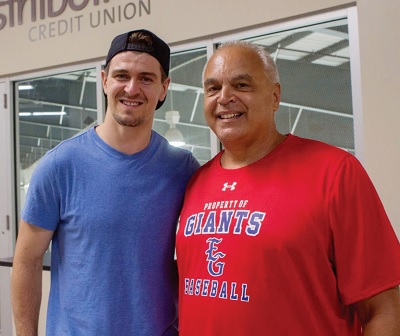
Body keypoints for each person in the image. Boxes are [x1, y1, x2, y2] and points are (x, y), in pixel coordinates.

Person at [176, 40, 400, 335]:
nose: (224, 97)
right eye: (213, 88)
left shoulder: (334, 173)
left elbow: (383, 309)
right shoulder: (196, 181)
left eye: (241, 85)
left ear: (275, 96)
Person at [11, 29, 200, 336]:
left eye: (146, 78)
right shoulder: (60, 166)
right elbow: (27, 260)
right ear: (104, 80)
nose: (132, 88)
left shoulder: (183, 170)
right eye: (121, 75)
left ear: (164, 88)